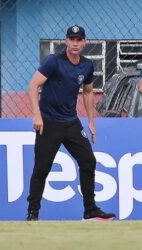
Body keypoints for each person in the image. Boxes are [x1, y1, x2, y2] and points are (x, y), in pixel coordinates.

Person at [26, 25, 115, 221]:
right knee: (42, 167)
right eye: (71, 39)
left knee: (88, 161)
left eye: (79, 40)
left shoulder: (87, 66)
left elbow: (89, 91)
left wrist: (91, 121)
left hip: (71, 122)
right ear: (66, 41)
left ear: (84, 43)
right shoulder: (53, 61)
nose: (75, 43)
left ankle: (90, 210)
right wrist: (37, 115)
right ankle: (33, 213)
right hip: (48, 122)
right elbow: (33, 85)